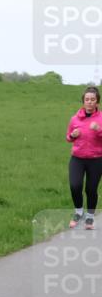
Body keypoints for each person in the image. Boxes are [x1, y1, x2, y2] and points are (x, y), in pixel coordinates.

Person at [66, 86, 102, 230]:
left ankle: (90, 217)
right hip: (77, 159)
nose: (89, 102)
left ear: (97, 101)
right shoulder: (74, 119)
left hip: (96, 159)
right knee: (75, 186)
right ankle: (78, 212)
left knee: (91, 189)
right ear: (83, 101)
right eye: (87, 99)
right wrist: (72, 136)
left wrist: (99, 130)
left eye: (92, 99)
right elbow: (68, 137)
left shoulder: (101, 118)